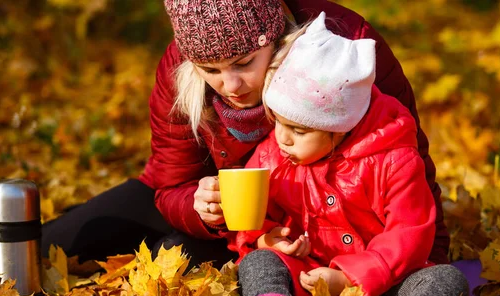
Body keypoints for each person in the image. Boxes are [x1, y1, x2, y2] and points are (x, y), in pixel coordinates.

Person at [41, 0, 450, 272]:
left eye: (244, 63)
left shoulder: (344, 46)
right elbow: (170, 183)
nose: (230, 85)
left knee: (172, 258)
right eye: (210, 70)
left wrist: (428, 259)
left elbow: (402, 151)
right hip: (216, 210)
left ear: (278, 36)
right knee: (48, 247)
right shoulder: (176, 68)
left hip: (306, 219)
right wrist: (200, 209)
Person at [217, 13, 469, 296]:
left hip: (385, 284)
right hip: (306, 280)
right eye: (278, 122)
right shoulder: (273, 155)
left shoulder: (393, 158)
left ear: (341, 127)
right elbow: (257, 222)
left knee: (446, 280)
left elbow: (409, 233)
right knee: (260, 261)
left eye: (300, 130)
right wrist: (268, 237)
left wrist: (352, 278)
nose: (283, 139)